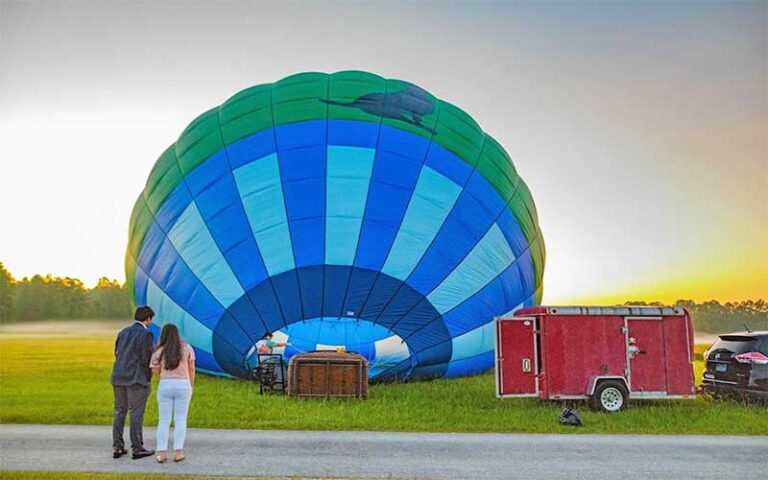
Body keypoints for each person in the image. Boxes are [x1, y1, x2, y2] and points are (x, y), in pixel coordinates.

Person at [110, 306, 155, 459]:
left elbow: (117, 352)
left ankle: (117, 447)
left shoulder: (123, 332)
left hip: (118, 376)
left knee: (119, 411)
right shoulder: (146, 334)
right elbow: (146, 358)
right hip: (135, 378)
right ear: (147, 318)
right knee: (136, 413)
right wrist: (147, 378)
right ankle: (137, 448)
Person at [150, 323, 195, 463]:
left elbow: (155, 371)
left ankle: (162, 453)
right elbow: (191, 368)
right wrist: (190, 385)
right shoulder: (187, 348)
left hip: (165, 384)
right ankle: (178, 452)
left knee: (164, 420)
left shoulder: (159, 351)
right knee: (180, 420)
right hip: (183, 385)